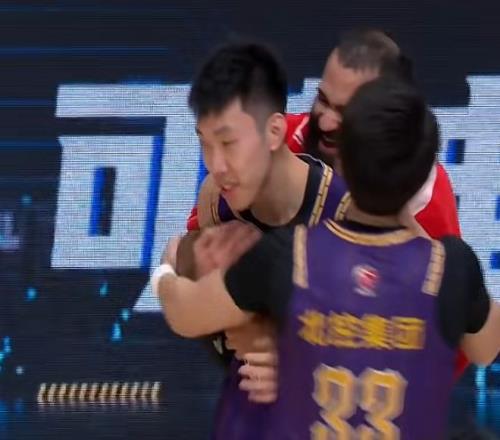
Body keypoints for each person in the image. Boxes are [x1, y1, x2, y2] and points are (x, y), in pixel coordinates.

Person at [158, 77, 500, 440]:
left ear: (344, 162)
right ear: (422, 180)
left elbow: (185, 312)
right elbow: (485, 349)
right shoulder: (451, 268)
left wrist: (166, 266)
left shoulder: (287, 256)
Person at [178, 29, 466, 405]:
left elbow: (447, 346)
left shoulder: (423, 200)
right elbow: (196, 245)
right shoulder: (285, 138)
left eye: (347, 113)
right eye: (323, 101)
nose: (327, 122)